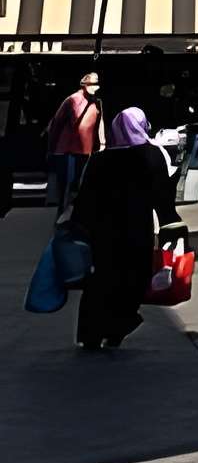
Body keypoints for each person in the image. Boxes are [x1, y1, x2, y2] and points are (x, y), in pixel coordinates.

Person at [70, 104, 181, 351]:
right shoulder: (151, 155)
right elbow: (162, 196)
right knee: (134, 279)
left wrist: (78, 226)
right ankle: (118, 326)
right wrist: (170, 225)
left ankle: (90, 334)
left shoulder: (99, 159)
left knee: (100, 280)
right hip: (135, 228)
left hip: (102, 231)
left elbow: (85, 197)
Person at [47, 70, 103, 212]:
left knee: (81, 183)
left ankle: (77, 212)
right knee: (67, 185)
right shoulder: (72, 100)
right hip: (68, 150)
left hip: (87, 150)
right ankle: (62, 213)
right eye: (92, 84)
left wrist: (102, 143)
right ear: (84, 85)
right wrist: (51, 148)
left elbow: (100, 123)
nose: (95, 88)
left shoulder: (97, 102)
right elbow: (56, 123)